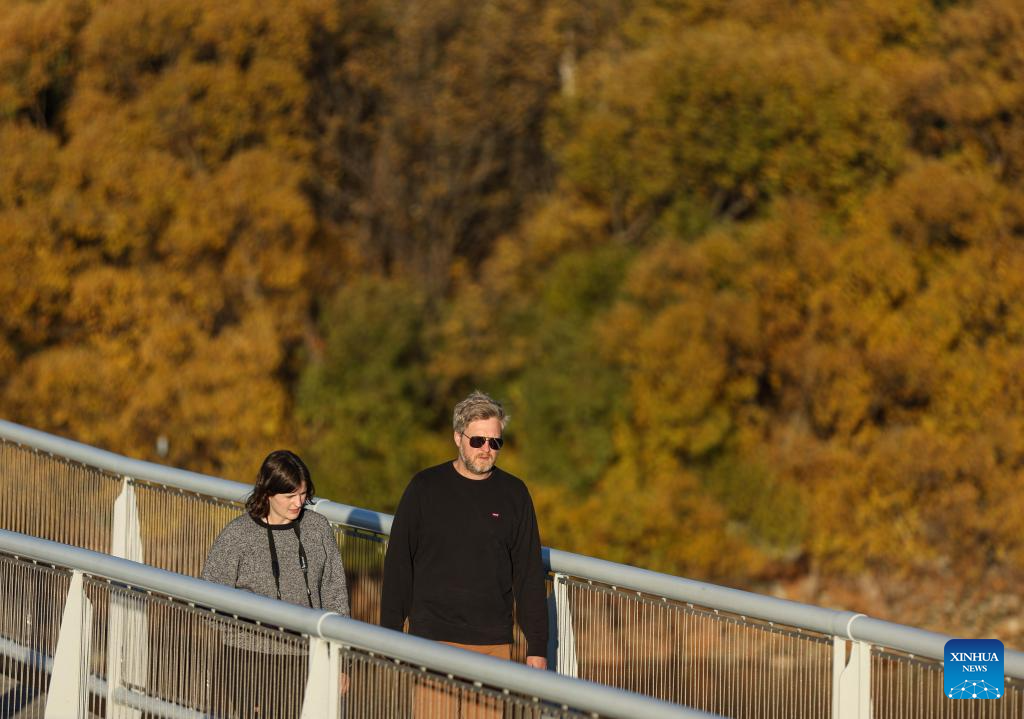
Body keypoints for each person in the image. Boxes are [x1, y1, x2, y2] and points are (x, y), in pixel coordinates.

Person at [381, 391, 548, 717]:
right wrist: (389, 635)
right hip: (432, 642)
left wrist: (537, 647)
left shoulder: (515, 494)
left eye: (495, 442)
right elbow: (399, 564)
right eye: (478, 441)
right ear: (458, 437)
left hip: (492, 644)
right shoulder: (424, 487)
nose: (487, 449)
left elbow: (528, 573)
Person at [202, 449, 350, 717]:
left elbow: (335, 595)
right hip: (248, 658)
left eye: (303, 494)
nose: (299, 502)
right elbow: (208, 599)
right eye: (290, 496)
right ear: (268, 493)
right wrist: (250, 627)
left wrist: (342, 661)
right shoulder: (238, 535)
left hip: (310, 656)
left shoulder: (318, 528)